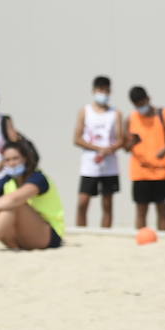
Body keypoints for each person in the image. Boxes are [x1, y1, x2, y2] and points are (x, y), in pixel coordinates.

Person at [0, 139, 65, 253]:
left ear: (25, 159)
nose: (11, 163)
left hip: (47, 236)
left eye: (15, 158)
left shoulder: (38, 178)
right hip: (19, 238)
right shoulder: (7, 180)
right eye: (7, 160)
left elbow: (14, 199)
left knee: (11, 205)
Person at [122, 86, 165, 231]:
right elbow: (125, 147)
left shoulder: (163, 114)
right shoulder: (130, 118)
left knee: (162, 210)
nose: (141, 107)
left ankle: (163, 240)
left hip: (161, 172)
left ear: (148, 99)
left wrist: (164, 150)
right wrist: (132, 142)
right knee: (141, 210)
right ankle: (142, 239)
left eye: (142, 102)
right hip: (140, 173)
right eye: (137, 105)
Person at [73, 75, 121, 229]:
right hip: (90, 165)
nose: (104, 94)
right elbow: (77, 138)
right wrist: (97, 149)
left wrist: (109, 149)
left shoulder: (116, 113)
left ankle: (106, 233)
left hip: (109, 165)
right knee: (83, 201)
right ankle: (82, 231)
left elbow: (121, 139)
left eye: (107, 90)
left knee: (107, 203)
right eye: (101, 90)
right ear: (94, 91)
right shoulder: (85, 111)